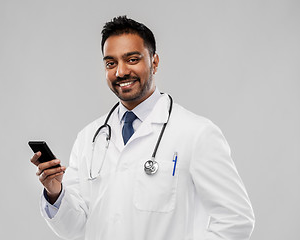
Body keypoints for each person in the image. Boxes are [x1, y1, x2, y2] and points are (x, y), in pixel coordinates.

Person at [31, 16, 255, 240]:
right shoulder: (89, 138)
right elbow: (75, 229)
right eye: (111, 63)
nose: (120, 72)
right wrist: (55, 192)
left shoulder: (197, 134)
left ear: (154, 62)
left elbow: (236, 219)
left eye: (132, 59)